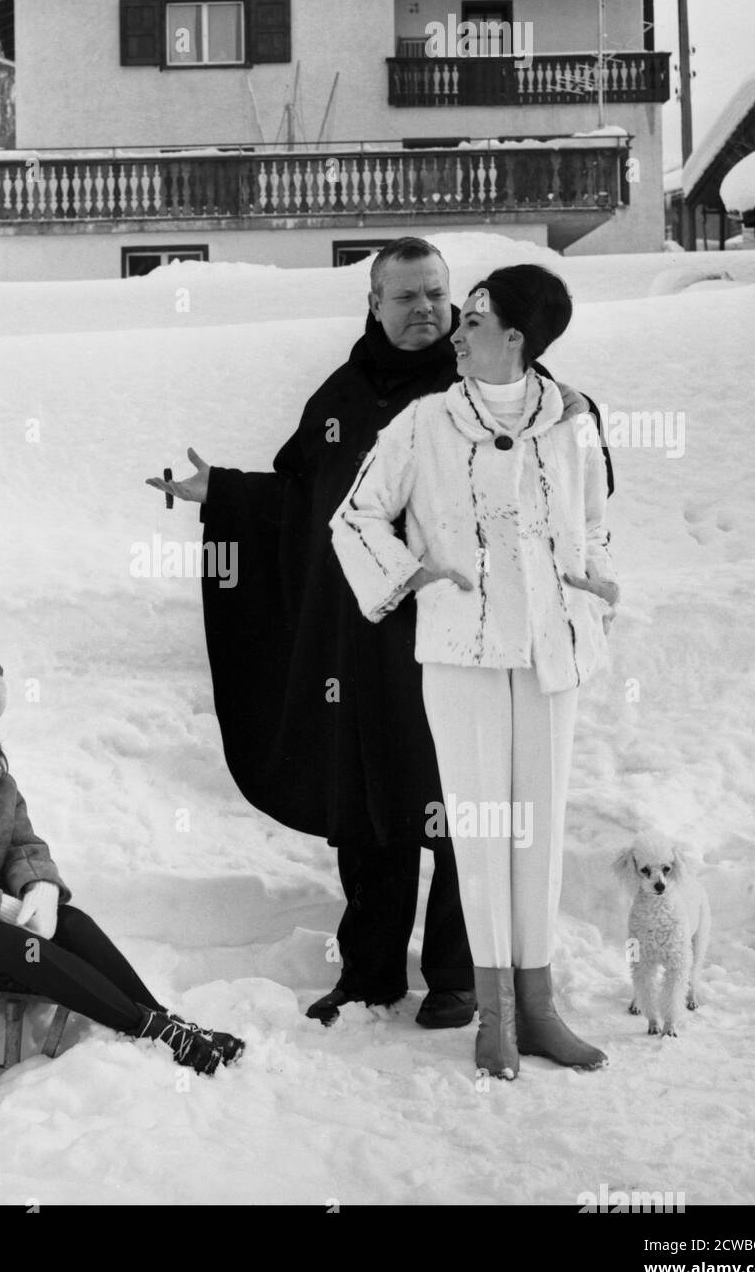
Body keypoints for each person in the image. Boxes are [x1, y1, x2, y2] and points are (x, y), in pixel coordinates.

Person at [148, 238, 612, 1028]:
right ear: (374, 303)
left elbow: (565, 482)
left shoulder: (488, 381)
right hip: (363, 648)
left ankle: (461, 978)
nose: (429, 310)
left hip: (465, 642)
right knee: (370, 810)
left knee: (464, 806)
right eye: (408, 297)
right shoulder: (342, 399)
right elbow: (309, 501)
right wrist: (220, 494)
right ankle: (368, 973)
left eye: (439, 294)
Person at [330, 264, 616, 1079]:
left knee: (541, 830)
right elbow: (354, 519)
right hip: (462, 653)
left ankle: (540, 1007)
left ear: (518, 338)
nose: (456, 328)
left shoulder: (573, 419)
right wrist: (410, 574)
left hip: (552, 653)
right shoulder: (423, 424)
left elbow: (595, 521)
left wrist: (595, 585)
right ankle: (494, 1017)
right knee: (482, 831)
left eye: (476, 318)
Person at [0, 637, 244, 1076]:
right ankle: (147, 1030)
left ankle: (164, 1020)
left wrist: (38, 886)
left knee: (71, 923)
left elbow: (23, 844)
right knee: (21, 948)